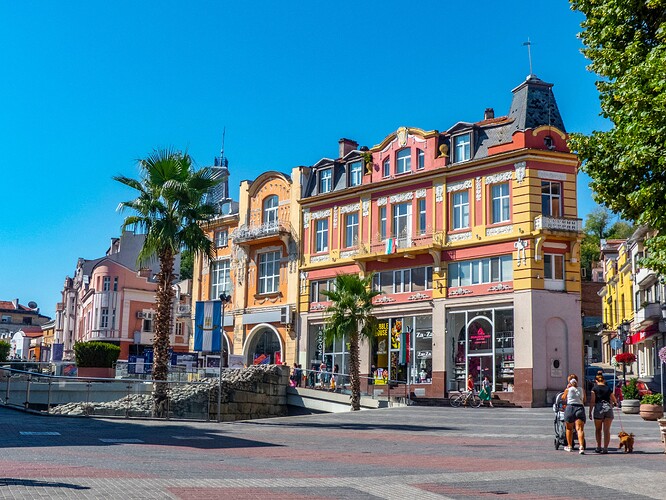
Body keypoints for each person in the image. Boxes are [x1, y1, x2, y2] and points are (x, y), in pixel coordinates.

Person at [589, 373, 617, 454]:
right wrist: (614, 403)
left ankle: (598, 446)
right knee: (607, 430)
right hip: (608, 408)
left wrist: (590, 412)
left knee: (598, 429)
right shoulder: (608, 388)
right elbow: (614, 399)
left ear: (596, 380)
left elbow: (592, 401)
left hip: (598, 408)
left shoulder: (594, 389)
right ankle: (605, 448)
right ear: (603, 380)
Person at [562, 374, 586, 454]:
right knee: (580, 429)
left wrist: (567, 388)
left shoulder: (568, 389)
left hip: (570, 408)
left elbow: (563, 398)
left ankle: (570, 446)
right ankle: (581, 446)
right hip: (580, 408)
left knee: (569, 428)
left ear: (569, 381)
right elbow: (584, 399)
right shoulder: (581, 389)